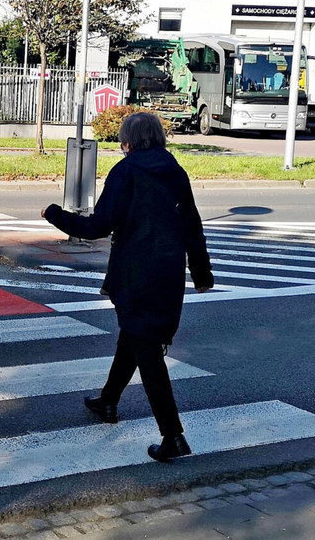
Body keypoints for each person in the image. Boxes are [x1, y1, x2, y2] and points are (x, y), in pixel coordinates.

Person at [41, 113, 213, 463]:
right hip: (167, 274)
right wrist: (201, 273)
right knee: (134, 338)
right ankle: (108, 401)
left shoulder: (126, 171)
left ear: (127, 141)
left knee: (147, 350)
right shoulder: (176, 172)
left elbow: (99, 226)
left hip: (136, 274)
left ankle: (173, 436)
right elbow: (192, 225)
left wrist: (54, 214)